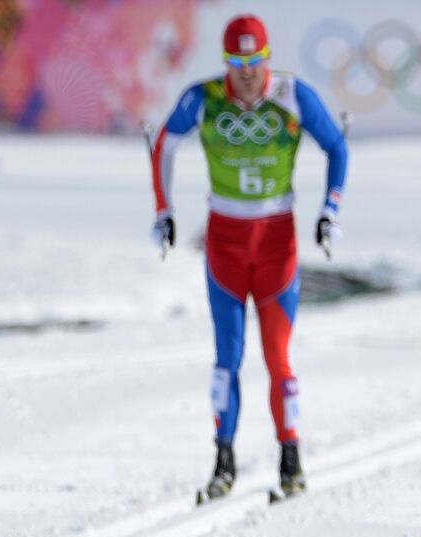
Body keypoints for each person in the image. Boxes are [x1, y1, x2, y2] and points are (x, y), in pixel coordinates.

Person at [149, 14, 347, 499]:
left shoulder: (292, 96)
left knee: (278, 357)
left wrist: (330, 211)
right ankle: (223, 462)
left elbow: (337, 146)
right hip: (225, 245)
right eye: (236, 63)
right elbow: (163, 145)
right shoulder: (204, 98)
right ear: (225, 63)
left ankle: (290, 459)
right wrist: (164, 210)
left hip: (277, 241)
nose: (246, 73)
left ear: (267, 58)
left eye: (254, 61)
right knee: (226, 358)